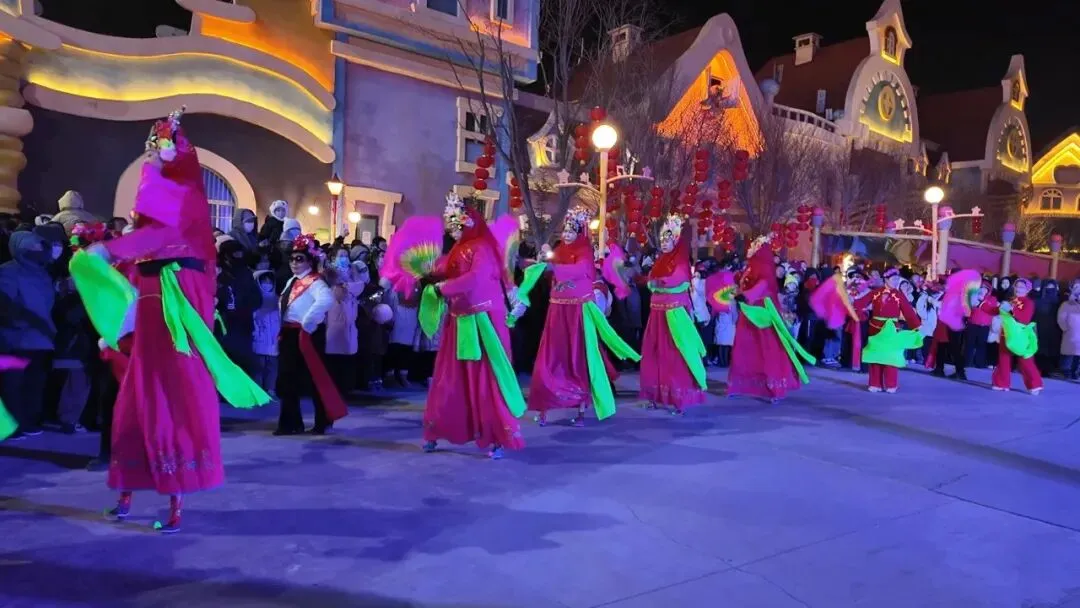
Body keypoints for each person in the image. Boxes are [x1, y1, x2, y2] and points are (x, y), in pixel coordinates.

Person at [76, 108, 268, 532]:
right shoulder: (157, 216)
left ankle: (175, 503)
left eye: (159, 149)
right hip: (147, 326)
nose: (152, 157)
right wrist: (114, 327)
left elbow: (157, 237)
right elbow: (134, 273)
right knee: (133, 411)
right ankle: (126, 494)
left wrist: (109, 250)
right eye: (151, 149)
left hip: (172, 324)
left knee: (170, 407)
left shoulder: (182, 206)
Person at [420, 193, 525, 459]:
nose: (452, 231)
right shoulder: (460, 247)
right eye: (450, 226)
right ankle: (438, 429)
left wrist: (443, 288)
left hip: (483, 321)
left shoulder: (482, 248)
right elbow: (446, 267)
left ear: (466, 222)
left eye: (455, 225)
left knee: (487, 378)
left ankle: (496, 436)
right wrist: (424, 269)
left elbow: (475, 278)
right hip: (459, 320)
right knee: (450, 378)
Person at [525, 208, 639, 426]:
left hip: (576, 314)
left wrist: (553, 267)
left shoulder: (584, 252)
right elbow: (550, 273)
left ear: (578, 233)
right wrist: (541, 262)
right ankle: (544, 405)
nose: (566, 234)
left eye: (571, 231)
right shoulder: (559, 251)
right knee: (551, 357)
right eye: (565, 231)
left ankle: (580, 407)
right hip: (556, 312)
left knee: (577, 357)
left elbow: (579, 270)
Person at [727, 234, 814, 402]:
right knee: (744, 348)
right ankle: (740, 385)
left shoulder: (765, 268)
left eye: (755, 246)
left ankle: (774, 388)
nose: (751, 248)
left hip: (762, 314)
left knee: (767, 350)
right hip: (748, 313)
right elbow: (743, 286)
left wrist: (745, 296)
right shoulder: (749, 268)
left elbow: (763, 286)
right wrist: (736, 292)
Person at [275, 234, 347, 435]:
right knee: (287, 379)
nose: (294, 263)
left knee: (315, 377)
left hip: (307, 334)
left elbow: (326, 300)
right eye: (292, 259)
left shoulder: (316, 282)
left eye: (300, 259)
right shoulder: (292, 280)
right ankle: (290, 423)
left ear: (310, 261)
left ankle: (322, 421)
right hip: (290, 333)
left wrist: (308, 323)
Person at [639, 215, 707, 412]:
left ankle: (679, 399)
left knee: (675, 355)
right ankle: (654, 396)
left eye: (668, 240)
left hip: (673, 316)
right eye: (662, 240)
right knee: (654, 355)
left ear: (675, 241)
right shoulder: (660, 261)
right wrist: (654, 284)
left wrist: (659, 284)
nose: (664, 243)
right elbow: (651, 281)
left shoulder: (681, 262)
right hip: (657, 315)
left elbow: (678, 281)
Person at [0, 231, 56, 439]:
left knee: (35, 383)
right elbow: (6, 305)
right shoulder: (8, 272)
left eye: (40, 246)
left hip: (40, 338)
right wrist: (22, 322)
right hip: (16, 338)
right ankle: (12, 426)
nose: (39, 250)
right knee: (13, 384)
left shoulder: (43, 273)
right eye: (33, 246)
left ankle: (28, 421)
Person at [853, 268, 921, 393]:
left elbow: (908, 311)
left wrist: (916, 326)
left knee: (891, 357)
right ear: (886, 279)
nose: (895, 281)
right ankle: (875, 383)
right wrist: (852, 301)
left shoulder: (898, 294)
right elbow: (861, 303)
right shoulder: (876, 292)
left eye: (897, 279)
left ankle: (891, 384)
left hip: (891, 329)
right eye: (893, 279)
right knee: (875, 357)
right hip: (875, 329)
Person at [989, 278, 1043, 394]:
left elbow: (1024, 318)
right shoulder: (1011, 300)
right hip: (1006, 333)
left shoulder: (1028, 302)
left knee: (1025, 360)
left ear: (1027, 290)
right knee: (1003, 359)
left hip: (1020, 335)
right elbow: (995, 310)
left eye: (1021, 287)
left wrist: (1011, 310)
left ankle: (1034, 385)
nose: (1018, 289)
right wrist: (980, 304)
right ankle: (1001, 383)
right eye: (1016, 286)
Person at [251, 270, 281, 398]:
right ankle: (258, 390)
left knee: (272, 366)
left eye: (270, 281)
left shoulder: (278, 300)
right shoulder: (254, 300)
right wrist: (255, 332)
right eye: (264, 281)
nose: (267, 284)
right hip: (259, 339)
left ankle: (270, 389)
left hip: (274, 340)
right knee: (259, 367)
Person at [1058, 281, 1080, 379]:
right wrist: (1065, 328)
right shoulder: (1066, 304)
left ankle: (1075, 372)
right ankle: (1065, 371)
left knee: (1077, 356)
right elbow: (1061, 318)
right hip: (1070, 333)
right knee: (1068, 354)